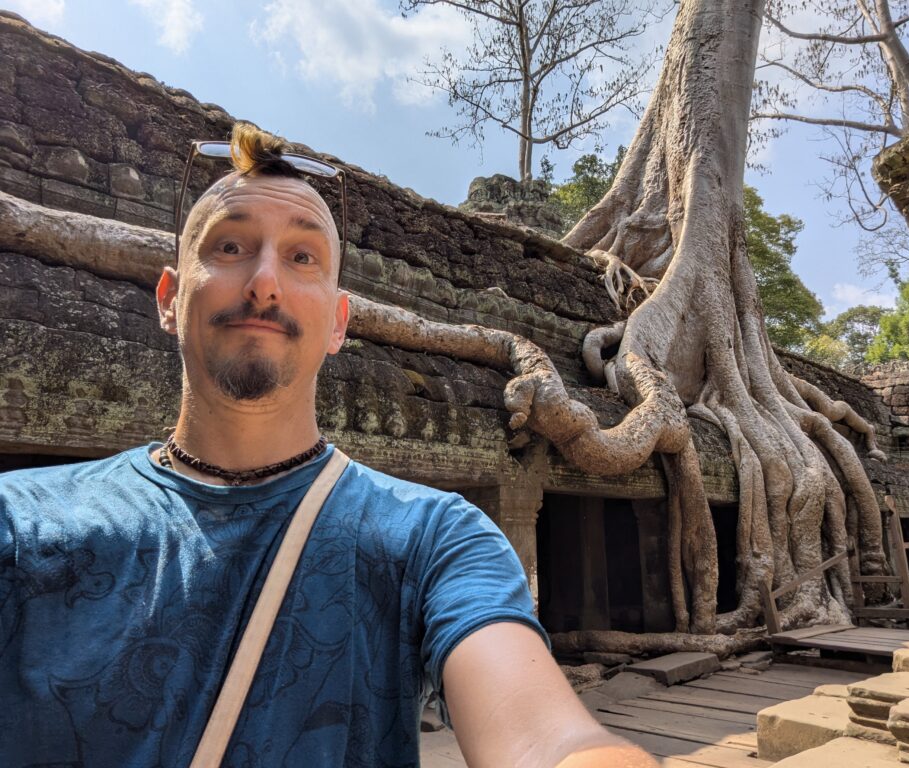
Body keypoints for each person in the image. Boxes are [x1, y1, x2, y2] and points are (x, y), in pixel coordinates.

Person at [0, 122, 656, 767]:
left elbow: (544, 741)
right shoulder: (21, 523)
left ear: (339, 323)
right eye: (229, 246)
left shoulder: (434, 540)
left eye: (302, 257)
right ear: (169, 298)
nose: (264, 282)